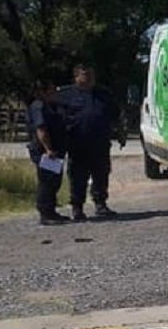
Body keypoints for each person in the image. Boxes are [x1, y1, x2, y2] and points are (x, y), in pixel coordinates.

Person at [58, 64, 124, 221]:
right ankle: (77, 207)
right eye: (85, 75)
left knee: (101, 174)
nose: (89, 78)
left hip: (100, 143)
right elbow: (57, 119)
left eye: (91, 75)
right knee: (78, 176)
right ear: (76, 77)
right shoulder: (66, 95)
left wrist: (121, 134)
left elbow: (116, 115)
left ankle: (101, 204)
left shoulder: (103, 94)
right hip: (77, 144)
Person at [27, 80, 68, 226]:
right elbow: (41, 129)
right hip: (44, 151)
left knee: (55, 180)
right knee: (46, 181)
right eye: (52, 90)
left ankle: (52, 211)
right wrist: (48, 148)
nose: (55, 92)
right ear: (42, 92)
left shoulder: (52, 106)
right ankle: (45, 213)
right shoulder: (39, 106)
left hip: (55, 150)